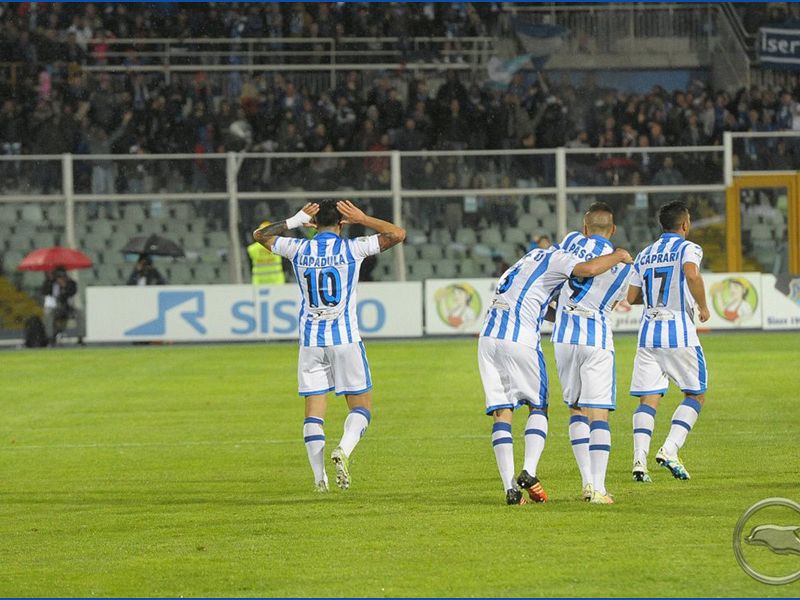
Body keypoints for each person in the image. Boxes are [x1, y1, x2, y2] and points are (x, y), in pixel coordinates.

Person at [253, 199, 406, 492]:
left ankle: (319, 479)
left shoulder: (298, 249)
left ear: (312, 224)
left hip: (310, 342)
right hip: (345, 339)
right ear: (342, 223)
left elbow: (259, 236)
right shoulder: (352, 248)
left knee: (313, 413)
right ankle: (344, 451)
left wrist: (293, 221)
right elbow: (398, 234)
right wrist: (363, 218)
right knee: (361, 408)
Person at [479, 240, 633, 505]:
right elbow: (588, 268)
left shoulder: (527, 259)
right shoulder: (558, 258)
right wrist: (618, 255)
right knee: (538, 407)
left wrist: (561, 314)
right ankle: (529, 470)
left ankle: (510, 490)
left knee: (502, 412)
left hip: (487, 338)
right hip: (519, 338)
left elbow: (540, 304)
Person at [550, 202, 633, 505]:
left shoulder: (571, 240)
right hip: (595, 337)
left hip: (563, 337)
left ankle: (586, 482)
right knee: (599, 413)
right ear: (613, 230)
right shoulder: (624, 265)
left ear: (585, 228)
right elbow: (617, 302)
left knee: (575, 409)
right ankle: (598, 488)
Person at [626, 200, 711, 483]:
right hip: (678, 330)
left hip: (648, 333)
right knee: (695, 394)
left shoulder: (645, 254)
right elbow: (691, 273)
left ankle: (639, 461)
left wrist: (653, 296)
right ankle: (670, 449)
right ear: (685, 224)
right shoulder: (688, 248)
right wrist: (703, 305)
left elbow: (631, 297)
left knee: (649, 398)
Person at [42, 267, 85, 346]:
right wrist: (51, 281)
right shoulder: (50, 283)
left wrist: (64, 287)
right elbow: (45, 291)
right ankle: (50, 338)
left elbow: (72, 292)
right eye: (58, 276)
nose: (61, 278)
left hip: (67, 308)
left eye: (62, 276)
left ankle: (80, 338)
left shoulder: (71, 283)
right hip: (54, 308)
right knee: (48, 314)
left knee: (80, 313)